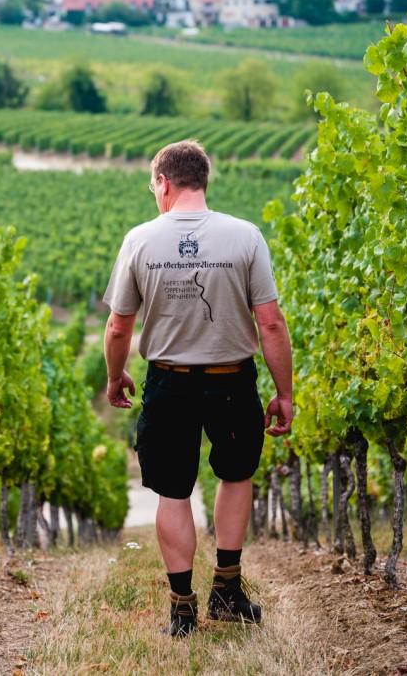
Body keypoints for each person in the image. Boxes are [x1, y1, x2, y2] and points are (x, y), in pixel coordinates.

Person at [102, 139, 293, 638]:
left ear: (164, 183)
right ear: (203, 180)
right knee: (235, 476)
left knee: (172, 489)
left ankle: (182, 607)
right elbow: (270, 324)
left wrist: (114, 375)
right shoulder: (246, 236)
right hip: (233, 381)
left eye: (153, 186)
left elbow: (119, 328)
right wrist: (284, 392)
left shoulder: (140, 240)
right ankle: (227, 592)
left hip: (169, 383)